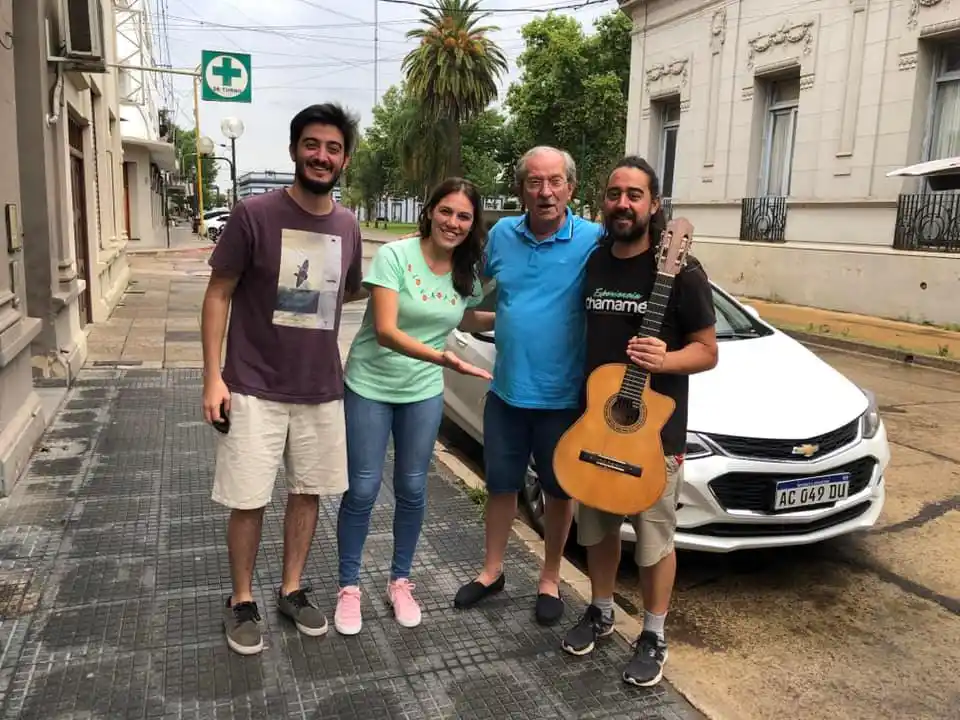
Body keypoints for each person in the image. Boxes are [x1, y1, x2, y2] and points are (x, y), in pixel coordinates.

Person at [201, 103, 366, 656]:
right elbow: (218, 293)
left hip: (321, 388)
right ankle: (241, 598)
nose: (323, 156)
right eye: (313, 144)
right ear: (295, 149)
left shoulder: (348, 225)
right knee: (249, 499)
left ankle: (291, 588)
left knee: (308, 493)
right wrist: (212, 378)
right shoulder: (253, 214)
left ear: (345, 158)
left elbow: (352, 292)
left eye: (334, 148)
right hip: (251, 386)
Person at [560, 156, 717, 687]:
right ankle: (601, 610)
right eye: (614, 193)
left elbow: (707, 350)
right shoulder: (597, 259)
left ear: (654, 205)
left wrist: (664, 360)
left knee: (654, 542)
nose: (622, 203)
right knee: (599, 531)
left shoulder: (681, 270)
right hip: (599, 427)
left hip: (654, 437)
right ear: (602, 201)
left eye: (634, 195)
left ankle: (653, 632)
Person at [334, 178, 494, 635]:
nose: (454, 222)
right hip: (370, 383)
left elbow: (459, 314)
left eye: (464, 216)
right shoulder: (395, 256)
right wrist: (442, 358)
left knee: (412, 487)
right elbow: (385, 329)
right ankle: (349, 587)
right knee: (363, 488)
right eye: (446, 211)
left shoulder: (466, 268)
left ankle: (400, 581)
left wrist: (513, 316)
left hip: (421, 390)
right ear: (429, 211)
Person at [453, 146, 604, 626]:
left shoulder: (594, 240)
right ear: (521, 189)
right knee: (501, 486)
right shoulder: (501, 235)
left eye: (555, 181)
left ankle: (550, 578)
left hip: (564, 400)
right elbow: (470, 290)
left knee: (560, 493)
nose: (545, 191)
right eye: (534, 182)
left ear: (571, 188)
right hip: (506, 393)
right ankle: (492, 571)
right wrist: (458, 313)